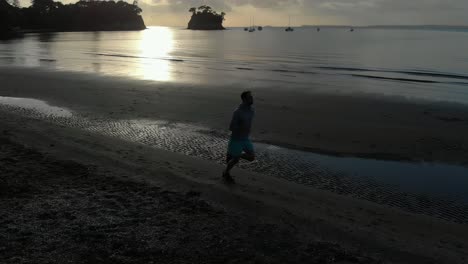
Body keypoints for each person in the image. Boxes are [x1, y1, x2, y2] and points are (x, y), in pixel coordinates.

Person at [223, 91, 255, 182]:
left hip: (245, 138)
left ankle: (235, 155)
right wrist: (240, 127)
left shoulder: (252, 110)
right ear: (244, 99)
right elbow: (231, 127)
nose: (252, 99)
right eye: (249, 97)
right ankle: (226, 172)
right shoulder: (238, 112)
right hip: (236, 139)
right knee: (235, 161)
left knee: (251, 157)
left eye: (252, 97)